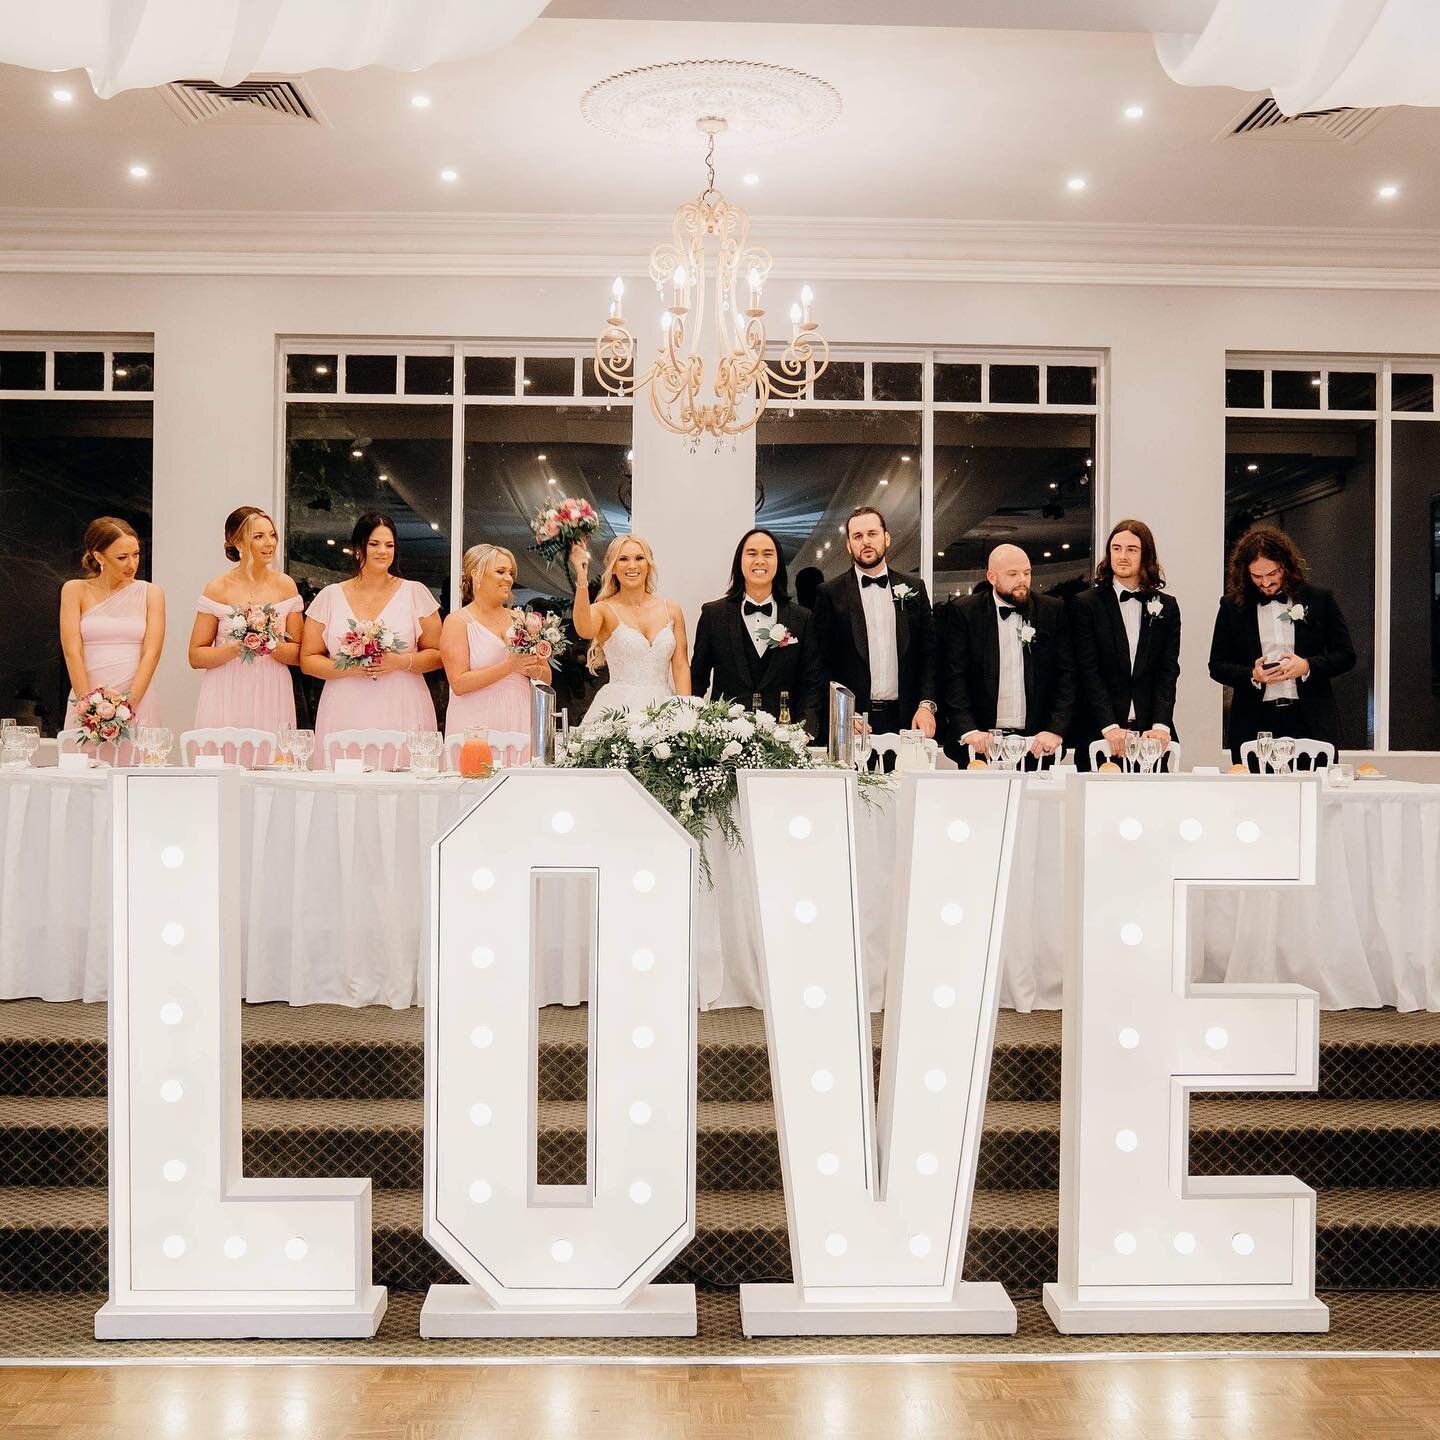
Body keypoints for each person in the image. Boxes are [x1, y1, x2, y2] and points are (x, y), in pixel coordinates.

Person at [300, 512, 443, 764]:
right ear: (357, 549)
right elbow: (308, 660)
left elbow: (438, 655)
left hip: (401, 701)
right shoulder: (330, 596)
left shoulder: (415, 593)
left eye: (389, 545)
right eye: (374, 544)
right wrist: (349, 668)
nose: (383, 551)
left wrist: (399, 662)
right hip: (344, 704)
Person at [1208, 524, 1355, 763]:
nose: (1265, 583)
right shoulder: (1232, 607)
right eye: (1257, 576)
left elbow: (1346, 655)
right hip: (1254, 722)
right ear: (1245, 573)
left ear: (1285, 566)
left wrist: (1307, 666)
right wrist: (1252, 675)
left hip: (1311, 720)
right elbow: (1217, 665)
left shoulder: (1319, 599)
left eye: (1272, 574)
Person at [811, 507, 937, 748]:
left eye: (872, 533)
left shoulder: (915, 588)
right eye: (857, 536)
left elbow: (929, 654)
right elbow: (820, 664)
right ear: (849, 545)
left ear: (886, 538)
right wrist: (842, 712)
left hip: (908, 719)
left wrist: (926, 704)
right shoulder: (829, 594)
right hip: (854, 722)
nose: (866, 541)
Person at [938, 542, 1074, 765]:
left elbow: (1067, 676)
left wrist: (1055, 729)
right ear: (992, 577)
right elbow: (954, 678)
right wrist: (968, 730)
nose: (1023, 579)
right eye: (1013, 573)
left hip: (1037, 743)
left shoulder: (1052, 611)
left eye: (1027, 572)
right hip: (981, 743)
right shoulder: (965, 612)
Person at [1068, 518, 1180, 769]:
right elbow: (1087, 670)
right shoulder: (1085, 604)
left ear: (1146, 555)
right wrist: (1109, 726)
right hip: (1100, 731)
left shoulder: (1167, 606)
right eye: (1116, 549)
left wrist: (1161, 725)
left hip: (1151, 734)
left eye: (1131, 549)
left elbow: (1168, 669)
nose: (1122, 556)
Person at [690, 528, 824, 733]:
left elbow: (811, 682)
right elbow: (698, 679)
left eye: (768, 554)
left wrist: (806, 729)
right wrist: (694, 728)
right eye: (752, 553)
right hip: (724, 737)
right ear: (739, 561)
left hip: (784, 736)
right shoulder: (713, 614)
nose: (760, 560)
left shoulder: (802, 618)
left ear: (778, 562)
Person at [59, 516, 165, 763]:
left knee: (136, 776)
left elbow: (152, 653)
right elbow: (72, 651)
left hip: (137, 698)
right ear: (99, 557)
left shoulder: (151, 593)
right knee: (83, 775)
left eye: (136, 554)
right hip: (87, 698)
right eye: (122, 557)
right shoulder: (74, 590)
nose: (132, 564)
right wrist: (89, 708)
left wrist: (128, 707)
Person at [189, 507, 302, 738]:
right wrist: (235, 647)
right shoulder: (217, 588)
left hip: (272, 687)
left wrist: (269, 643)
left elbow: (299, 653)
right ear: (237, 543)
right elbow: (196, 656)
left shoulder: (286, 585)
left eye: (272, 535)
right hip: (225, 688)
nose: (269, 543)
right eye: (258, 537)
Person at [440, 543, 550, 754]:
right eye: (500, 572)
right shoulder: (458, 621)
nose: (509, 578)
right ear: (476, 574)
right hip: (475, 719)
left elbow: (545, 678)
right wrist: (509, 666)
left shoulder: (522, 620)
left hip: (519, 714)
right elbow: (459, 683)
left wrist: (531, 668)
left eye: (510, 573)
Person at [570, 534, 690, 717]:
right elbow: (584, 629)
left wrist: (685, 713)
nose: (632, 565)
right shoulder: (604, 609)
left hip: (663, 709)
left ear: (648, 565)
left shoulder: (671, 610)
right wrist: (581, 577)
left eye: (639, 558)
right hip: (618, 710)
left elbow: (680, 665)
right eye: (623, 559)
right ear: (614, 568)